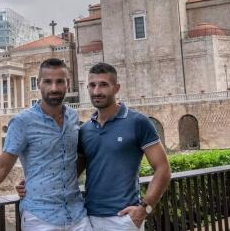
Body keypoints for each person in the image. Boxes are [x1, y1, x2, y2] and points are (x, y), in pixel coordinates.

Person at [0, 58, 92, 230]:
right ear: (39, 84)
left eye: (59, 82)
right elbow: (2, 167)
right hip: (41, 217)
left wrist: (43, 180)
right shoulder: (22, 122)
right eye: (48, 82)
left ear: (68, 84)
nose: (54, 88)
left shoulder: (72, 117)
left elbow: (76, 158)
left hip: (77, 214)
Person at [18, 62, 171, 230]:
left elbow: (163, 168)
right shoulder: (84, 130)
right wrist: (33, 184)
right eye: (92, 85)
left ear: (116, 88)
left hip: (123, 219)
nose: (97, 91)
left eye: (103, 85)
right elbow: (70, 171)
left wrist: (145, 208)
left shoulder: (137, 122)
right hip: (86, 217)